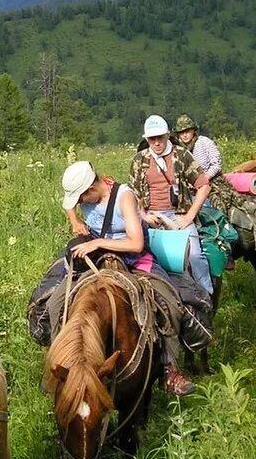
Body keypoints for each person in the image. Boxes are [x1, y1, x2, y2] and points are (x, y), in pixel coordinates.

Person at [60, 160, 193, 395]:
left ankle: (168, 368)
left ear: (91, 189)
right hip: (97, 253)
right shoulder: (88, 194)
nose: (80, 204)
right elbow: (69, 205)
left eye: (80, 199)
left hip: (131, 256)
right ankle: (62, 362)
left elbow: (136, 242)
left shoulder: (124, 198)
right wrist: (75, 220)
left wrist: (98, 242)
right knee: (57, 298)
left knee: (168, 302)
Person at [129, 115, 214, 296]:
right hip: (150, 214)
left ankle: (206, 296)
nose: (157, 143)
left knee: (194, 256)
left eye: (160, 137)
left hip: (177, 214)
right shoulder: (139, 160)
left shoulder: (182, 156)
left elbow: (204, 185)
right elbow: (132, 194)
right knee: (133, 256)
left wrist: (189, 216)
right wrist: (143, 215)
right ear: (146, 139)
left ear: (168, 135)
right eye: (152, 139)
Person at [173, 115, 222, 180]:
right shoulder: (177, 149)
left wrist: (206, 177)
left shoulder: (204, 142)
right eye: (181, 132)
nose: (185, 135)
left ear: (193, 130)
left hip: (211, 179)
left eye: (187, 131)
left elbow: (216, 163)